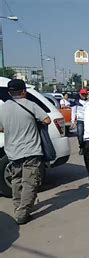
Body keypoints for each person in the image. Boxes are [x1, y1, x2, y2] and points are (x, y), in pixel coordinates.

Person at [0, 79, 51, 224]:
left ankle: (18, 207)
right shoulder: (31, 105)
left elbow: (0, 127)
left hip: (12, 151)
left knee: (16, 180)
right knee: (30, 182)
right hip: (31, 151)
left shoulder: (3, 108)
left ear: (10, 93)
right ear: (24, 91)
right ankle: (22, 214)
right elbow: (47, 120)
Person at [71, 88, 89, 155]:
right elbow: (73, 112)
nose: (84, 95)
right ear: (80, 94)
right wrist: (73, 121)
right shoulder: (76, 102)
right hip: (80, 120)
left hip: (88, 120)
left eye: (85, 94)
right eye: (82, 94)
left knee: (88, 136)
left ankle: (87, 148)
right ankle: (82, 147)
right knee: (80, 135)